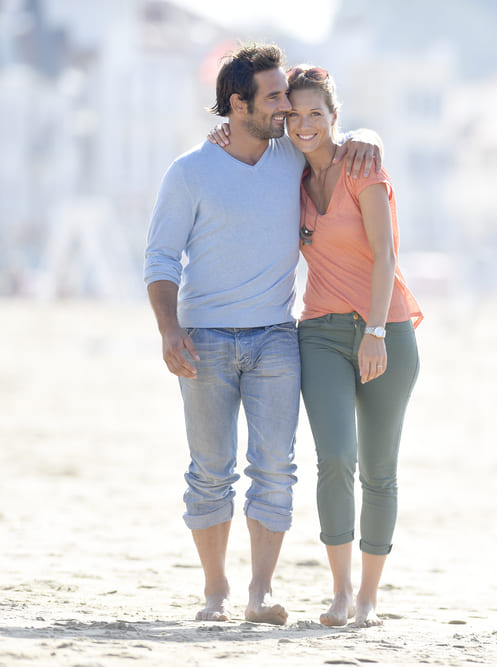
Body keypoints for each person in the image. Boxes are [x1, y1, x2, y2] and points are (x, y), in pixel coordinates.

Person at [143, 42, 382, 625]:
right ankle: (216, 592)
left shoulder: (290, 159)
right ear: (237, 104)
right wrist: (169, 330)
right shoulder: (190, 172)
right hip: (204, 338)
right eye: (274, 98)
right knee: (210, 468)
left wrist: (370, 134)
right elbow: (160, 259)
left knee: (276, 467)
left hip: (277, 335)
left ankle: (261, 592)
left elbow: (337, 142)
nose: (286, 109)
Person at [211, 64, 422, 628]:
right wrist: (218, 137)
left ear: (335, 118)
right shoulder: (292, 178)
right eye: (294, 114)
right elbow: (239, 154)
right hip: (321, 332)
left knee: (379, 469)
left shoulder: (364, 168)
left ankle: (371, 600)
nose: (304, 125)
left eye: (316, 115)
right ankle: (341, 593)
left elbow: (387, 256)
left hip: (386, 330)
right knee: (335, 458)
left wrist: (376, 332)